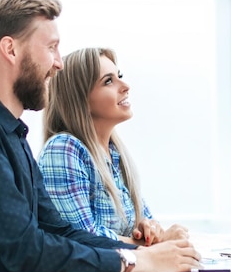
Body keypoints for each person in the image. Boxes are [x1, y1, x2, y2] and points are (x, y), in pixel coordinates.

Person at [0, 0, 201, 272]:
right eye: (51, 47)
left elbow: (59, 231)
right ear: (10, 49)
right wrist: (137, 261)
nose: (59, 63)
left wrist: (141, 250)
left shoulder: (11, 133)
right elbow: (26, 250)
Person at [38, 47, 188, 246]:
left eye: (120, 76)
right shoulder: (63, 149)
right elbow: (81, 237)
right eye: (108, 81)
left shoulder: (115, 156)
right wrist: (146, 245)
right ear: (80, 99)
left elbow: (149, 226)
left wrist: (151, 230)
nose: (125, 86)